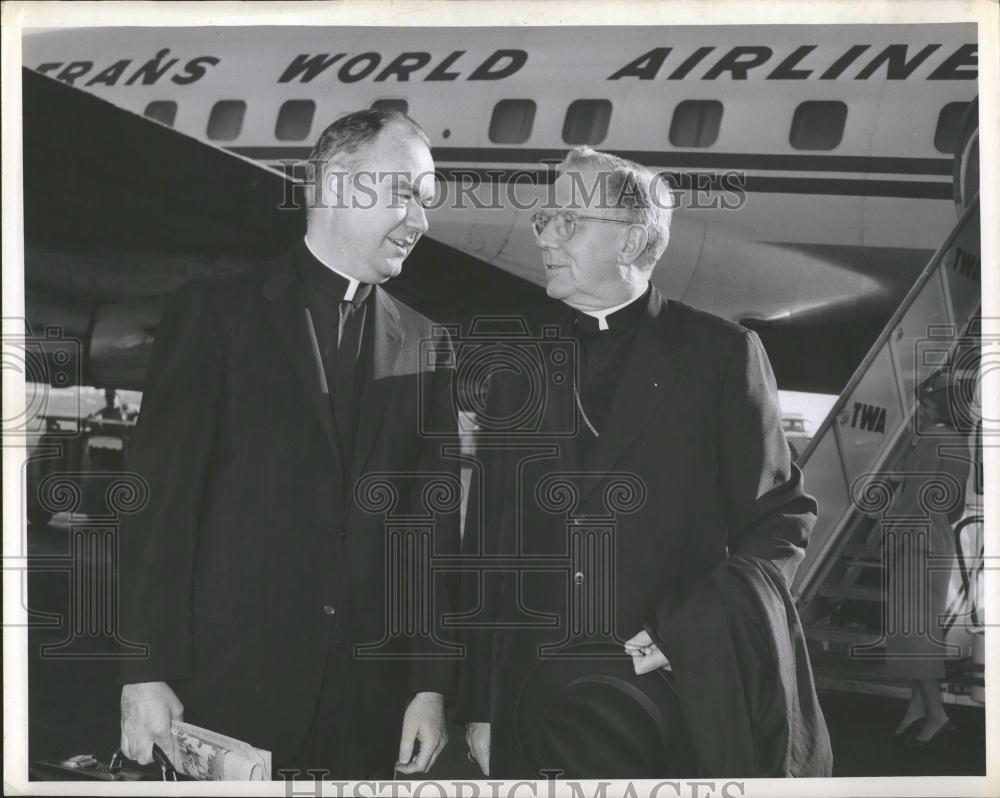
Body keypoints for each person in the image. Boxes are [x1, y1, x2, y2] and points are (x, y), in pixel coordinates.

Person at [461, 147, 831, 778]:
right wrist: (478, 706)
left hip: (667, 695)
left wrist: (684, 631)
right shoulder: (512, 368)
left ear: (632, 241)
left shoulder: (721, 356)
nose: (545, 234)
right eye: (543, 219)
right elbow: (486, 552)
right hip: (532, 699)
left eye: (567, 220)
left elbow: (779, 520)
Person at [116, 109, 460, 778]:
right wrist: (145, 671)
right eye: (404, 193)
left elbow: (429, 537)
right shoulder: (216, 313)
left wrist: (429, 685)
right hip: (223, 696)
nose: (421, 221)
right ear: (336, 183)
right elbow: (159, 506)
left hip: (368, 710)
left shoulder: (429, 345)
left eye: (427, 202)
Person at [885, 373, 972, 745]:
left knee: (912, 631)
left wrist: (892, 536)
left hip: (916, 539)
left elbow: (913, 495)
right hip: (938, 539)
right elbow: (950, 504)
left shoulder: (933, 437)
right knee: (924, 629)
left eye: (927, 402)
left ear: (940, 406)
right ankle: (918, 707)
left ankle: (936, 714)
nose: (921, 409)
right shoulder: (959, 442)